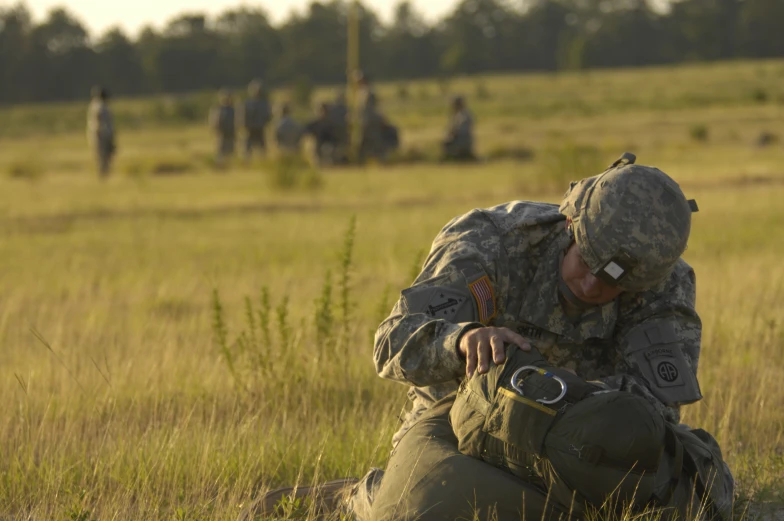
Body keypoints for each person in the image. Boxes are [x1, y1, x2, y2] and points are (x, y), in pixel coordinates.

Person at [239, 153, 735, 521]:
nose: (591, 286)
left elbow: (655, 411)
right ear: (570, 222)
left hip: (577, 433)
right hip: (462, 417)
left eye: (613, 284)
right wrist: (462, 339)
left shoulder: (661, 280)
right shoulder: (490, 241)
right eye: (585, 263)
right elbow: (393, 343)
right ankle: (360, 495)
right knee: (422, 506)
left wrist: (571, 407)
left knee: (697, 486)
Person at [86, 85, 116, 178]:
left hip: (101, 134)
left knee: (103, 156)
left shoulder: (94, 105)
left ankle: (104, 174)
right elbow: (99, 121)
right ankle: (103, 175)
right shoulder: (100, 107)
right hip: (101, 134)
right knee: (103, 156)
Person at [241, 79, 272, 160]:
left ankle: (257, 160)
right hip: (253, 128)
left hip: (256, 128)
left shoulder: (249, 103)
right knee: (251, 148)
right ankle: (250, 160)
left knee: (259, 148)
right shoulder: (263, 103)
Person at [442, 95, 476, 161]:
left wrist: (449, 135)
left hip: (462, 140)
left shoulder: (462, 115)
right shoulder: (463, 114)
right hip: (466, 140)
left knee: (446, 144)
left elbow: (457, 130)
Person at [208, 89, 236, 167]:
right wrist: (216, 130)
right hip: (221, 134)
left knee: (230, 151)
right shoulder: (217, 109)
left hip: (231, 133)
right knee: (220, 151)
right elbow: (214, 122)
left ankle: (229, 164)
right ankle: (219, 165)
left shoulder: (233, 109)